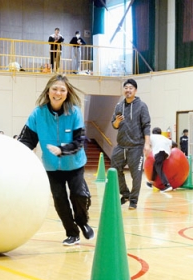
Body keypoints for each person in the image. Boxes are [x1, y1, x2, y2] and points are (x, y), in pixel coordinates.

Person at [18, 74, 94, 246]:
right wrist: (18, 154)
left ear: (67, 93)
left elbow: (79, 141)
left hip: (74, 164)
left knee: (79, 196)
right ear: (48, 91)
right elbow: (26, 140)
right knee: (60, 200)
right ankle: (72, 233)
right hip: (52, 167)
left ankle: (82, 221)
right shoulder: (38, 114)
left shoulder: (74, 112)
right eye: (54, 89)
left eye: (62, 90)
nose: (58, 93)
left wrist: (62, 150)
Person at [110, 78, 151, 210]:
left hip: (136, 146)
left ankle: (134, 200)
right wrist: (116, 121)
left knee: (136, 175)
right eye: (126, 87)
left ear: (135, 90)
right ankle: (125, 194)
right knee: (115, 169)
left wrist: (147, 144)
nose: (128, 90)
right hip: (121, 145)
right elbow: (114, 125)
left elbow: (146, 125)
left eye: (131, 88)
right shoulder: (118, 106)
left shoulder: (142, 106)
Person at [146, 127, 173, 192]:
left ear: (153, 132)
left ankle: (167, 185)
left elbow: (146, 143)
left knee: (158, 168)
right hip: (166, 153)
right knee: (156, 165)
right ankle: (151, 182)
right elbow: (173, 143)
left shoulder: (152, 136)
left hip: (159, 152)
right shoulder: (164, 137)